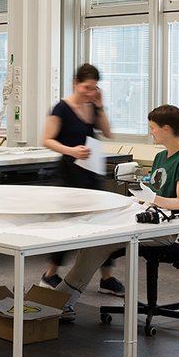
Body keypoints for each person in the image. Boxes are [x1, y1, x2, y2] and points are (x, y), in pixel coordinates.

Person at [44, 104, 179, 320]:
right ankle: (60, 301)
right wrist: (141, 198)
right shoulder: (160, 158)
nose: (150, 131)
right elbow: (153, 194)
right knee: (92, 240)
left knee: (99, 243)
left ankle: (61, 302)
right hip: (148, 221)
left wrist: (152, 198)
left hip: (165, 230)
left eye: (152, 127)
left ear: (166, 129)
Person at [38, 64, 121, 301]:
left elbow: (108, 132)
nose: (89, 92)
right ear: (76, 83)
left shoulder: (92, 106)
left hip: (91, 171)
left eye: (94, 88)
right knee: (70, 224)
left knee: (104, 223)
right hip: (69, 173)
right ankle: (50, 273)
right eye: (86, 87)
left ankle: (107, 277)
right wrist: (71, 150)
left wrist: (99, 106)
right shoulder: (61, 108)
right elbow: (47, 140)